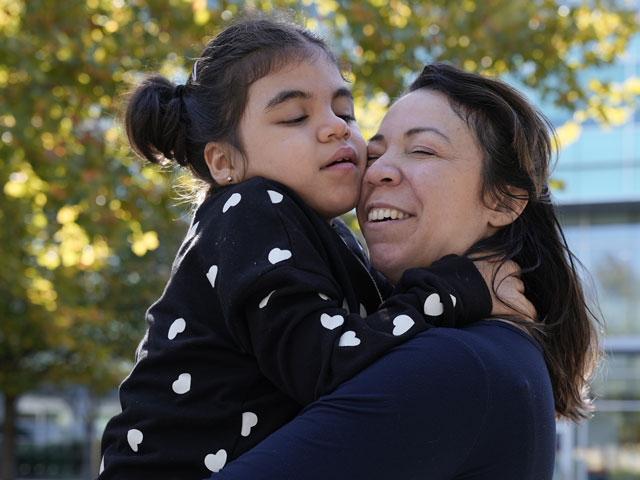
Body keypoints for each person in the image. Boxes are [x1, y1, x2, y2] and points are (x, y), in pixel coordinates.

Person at [97, 20, 524, 480]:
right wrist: (457, 289)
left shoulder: (324, 234)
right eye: (295, 118)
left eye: (344, 111)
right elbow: (324, 362)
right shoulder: (251, 208)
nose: (333, 129)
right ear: (225, 162)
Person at [209, 64, 601, 479]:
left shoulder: (458, 365)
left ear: (504, 201)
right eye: (374, 154)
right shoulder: (484, 352)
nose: (375, 171)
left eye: (422, 151)